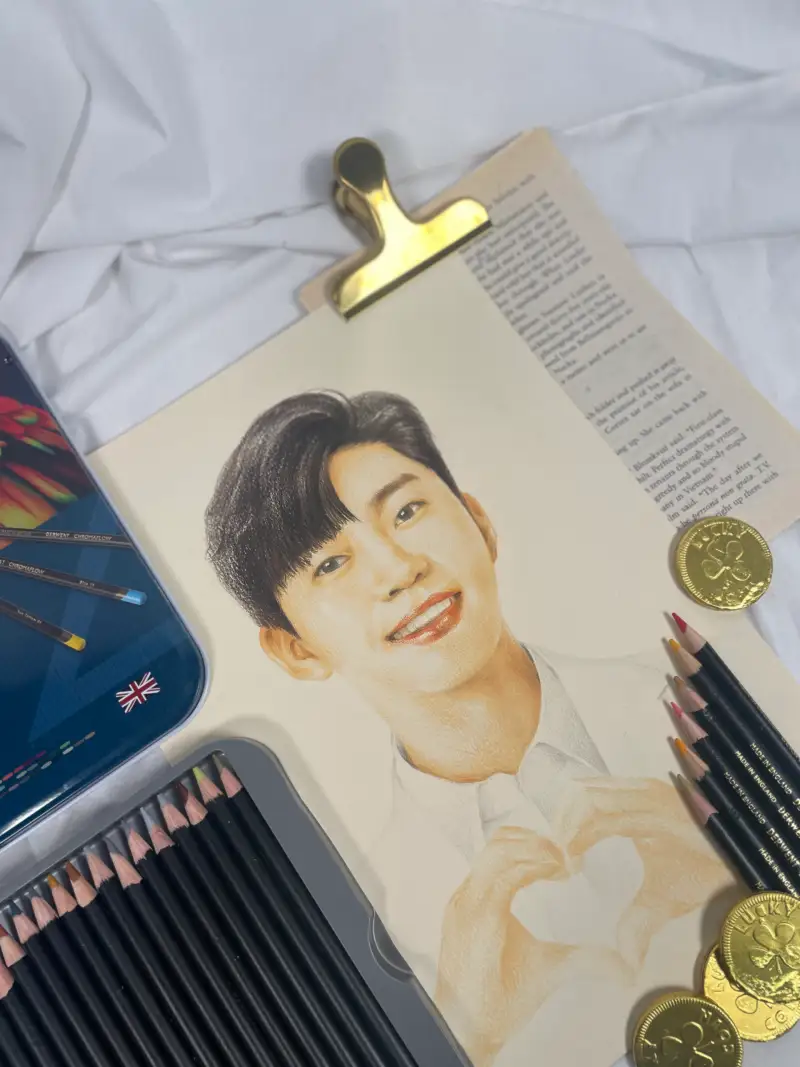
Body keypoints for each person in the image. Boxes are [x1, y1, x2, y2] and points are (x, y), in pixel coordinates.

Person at [205, 390, 728, 1066]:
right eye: (330, 563)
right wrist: (467, 1041)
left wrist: (741, 863)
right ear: (295, 650)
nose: (400, 570)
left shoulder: (695, 693)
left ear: (479, 521)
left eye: (407, 511)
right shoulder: (368, 910)